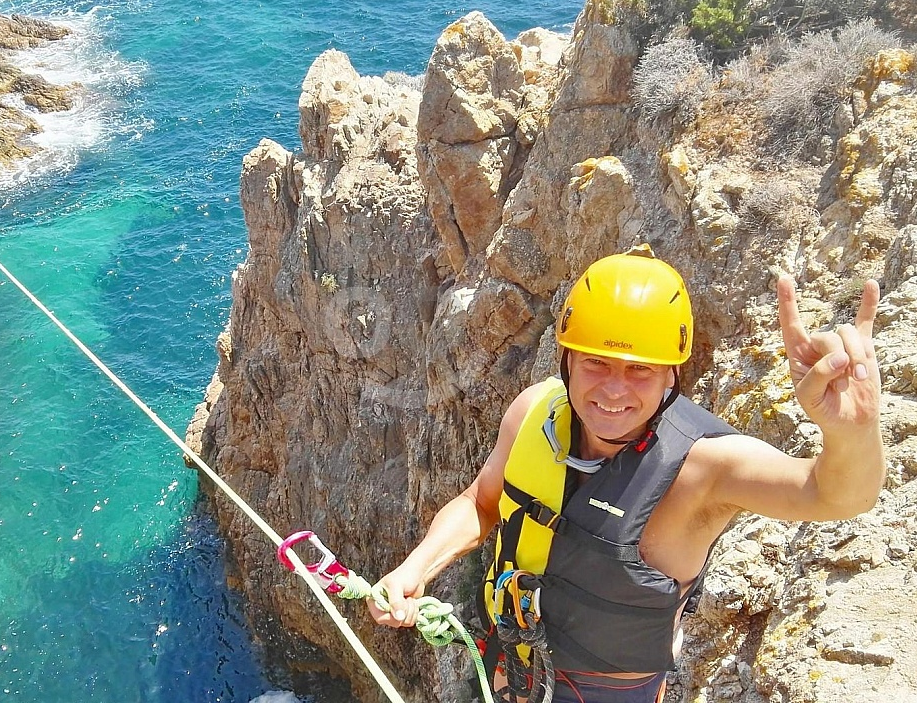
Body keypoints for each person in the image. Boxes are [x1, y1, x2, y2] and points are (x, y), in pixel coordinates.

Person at [367, 245, 885, 703]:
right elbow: (481, 504)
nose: (614, 391)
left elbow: (836, 496)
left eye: (639, 369)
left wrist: (853, 431)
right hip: (514, 670)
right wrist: (416, 569)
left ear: (671, 374)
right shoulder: (534, 412)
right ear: (567, 360)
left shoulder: (705, 466)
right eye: (596, 363)